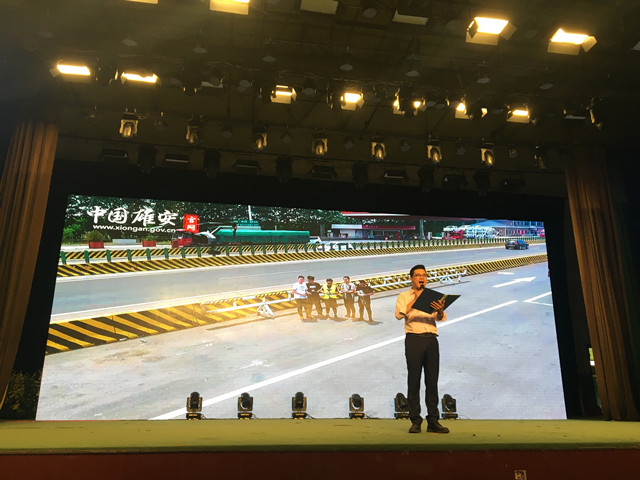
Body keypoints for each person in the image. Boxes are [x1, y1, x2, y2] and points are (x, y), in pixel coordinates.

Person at [394, 264, 449, 434]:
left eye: (424, 275)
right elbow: (399, 314)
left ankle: (433, 420)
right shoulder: (404, 296)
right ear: (411, 278)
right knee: (414, 380)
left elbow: (440, 318)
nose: (421, 278)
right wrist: (417, 299)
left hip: (431, 340)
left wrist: (440, 310)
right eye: (418, 275)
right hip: (414, 340)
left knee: (432, 381)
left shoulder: (433, 296)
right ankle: (415, 420)